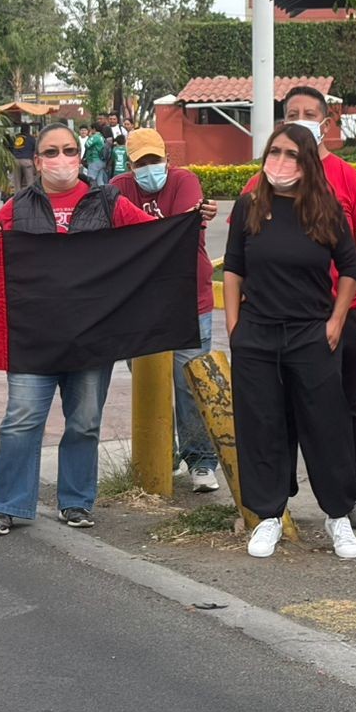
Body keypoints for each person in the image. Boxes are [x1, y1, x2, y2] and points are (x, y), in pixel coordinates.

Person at [0, 123, 157, 536]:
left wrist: (193, 221)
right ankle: (7, 505)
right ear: (37, 162)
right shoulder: (17, 207)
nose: (62, 159)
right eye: (52, 152)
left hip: (92, 338)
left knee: (85, 422)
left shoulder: (109, 202)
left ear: (81, 156)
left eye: (69, 150)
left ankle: (76, 502)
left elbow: (153, 239)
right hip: (33, 337)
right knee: (20, 420)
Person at [242, 85, 356, 529]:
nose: (301, 118)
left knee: (347, 405)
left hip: (340, 319)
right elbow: (243, 252)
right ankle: (276, 499)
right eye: (292, 113)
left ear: (326, 123)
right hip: (278, 322)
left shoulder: (349, 179)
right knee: (279, 408)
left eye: (310, 113)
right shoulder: (262, 182)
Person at [225, 124, 356, 560]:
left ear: (306, 164)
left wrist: (337, 319)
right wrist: (234, 327)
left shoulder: (325, 210)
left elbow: (350, 266)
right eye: (274, 152)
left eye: (290, 155)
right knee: (261, 424)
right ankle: (268, 516)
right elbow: (232, 269)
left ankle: (338, 515)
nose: (279, 162)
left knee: (325, 425)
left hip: (311, 333)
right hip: (257, 334)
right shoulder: (249, 205)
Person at [109, 128, 221, 492]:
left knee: (190, 385)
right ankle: (162, 454)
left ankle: (201, 461)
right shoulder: (118, 188)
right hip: (140, 304)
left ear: (166, 159)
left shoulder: (185, 181)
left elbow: (176, 233)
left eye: (155, 160)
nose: (150, 167)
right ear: (131, 164)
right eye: (142, 162)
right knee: (150, 383)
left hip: (189, 298)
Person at [6, 120, 37, 192]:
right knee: (30, 183)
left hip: (15, 161)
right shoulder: (31, 138)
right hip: (27, 161)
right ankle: (30, 197)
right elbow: (36, 150)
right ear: (28, 130)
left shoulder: (16, 138)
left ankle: (17, 198)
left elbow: (10, 147)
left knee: (17, 184)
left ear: (21, 129)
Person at [81, 122, 110, 188]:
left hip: (94, 161)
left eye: (91, 129)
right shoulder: (101, 137)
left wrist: (90, 136)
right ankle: (103, 195)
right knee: (100, 181)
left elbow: (87, 145)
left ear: (94, 129)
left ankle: (91, 196)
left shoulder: (95, 137)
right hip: (101, 161)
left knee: (90, 180)